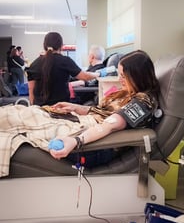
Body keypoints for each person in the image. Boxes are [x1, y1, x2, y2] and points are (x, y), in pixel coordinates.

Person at [0, 50, 160, 177]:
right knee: (24, 111)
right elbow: (101, 112)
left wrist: (75, 140)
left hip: (92, 137)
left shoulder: (143, 101)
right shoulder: (128, 92)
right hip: (83, 121)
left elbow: (111, 125)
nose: (120, 79)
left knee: (24, 119)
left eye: (124, 76)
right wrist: (74, 107)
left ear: (138, 76)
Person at [27, 32, 100, 106]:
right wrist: (99, 73)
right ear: (61, 46)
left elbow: (31, 91)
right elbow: (85, 77)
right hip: (61, 109)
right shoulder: (65, 61)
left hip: (40, 110)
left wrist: (35, 108)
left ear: (44, 45)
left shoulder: (34, 64)